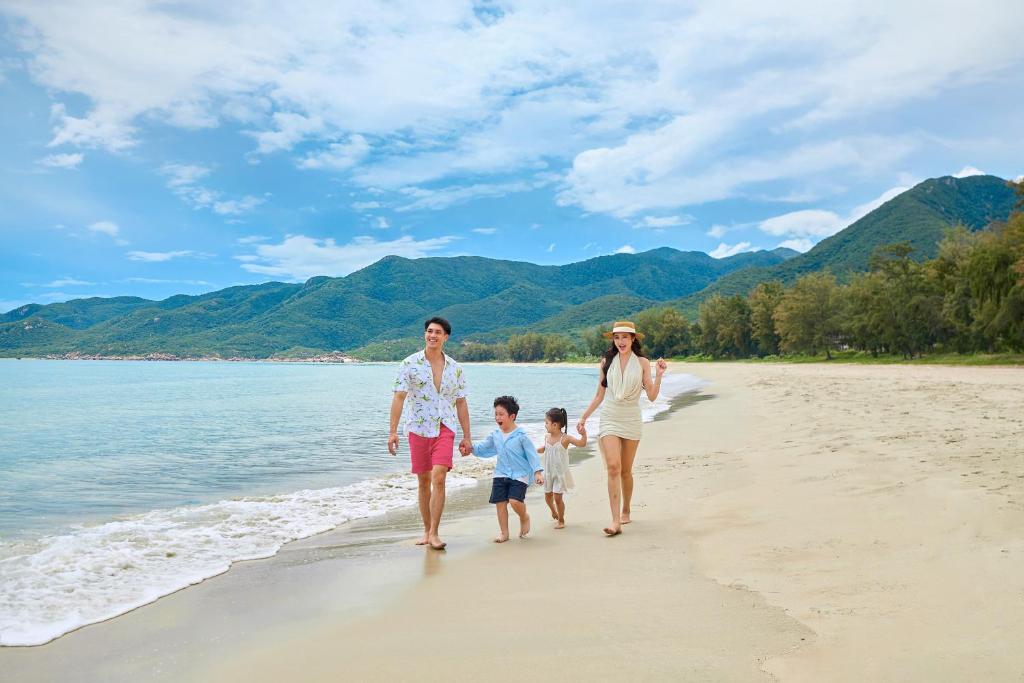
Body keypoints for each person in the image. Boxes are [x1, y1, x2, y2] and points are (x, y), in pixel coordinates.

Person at [388, 317, 472, 550]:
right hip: (418, 428)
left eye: (437, 332)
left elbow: (461, 403)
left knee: (439, 477)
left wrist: (467, 436)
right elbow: (399, 398)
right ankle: (426, 530)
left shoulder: (456, 368)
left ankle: (435, 532)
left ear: (446, 337)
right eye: (429, 331)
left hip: (445, 427)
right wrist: (392, 432)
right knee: (424, 481)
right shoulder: (409, 364)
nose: (432, 335)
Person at [577, 321, 667, 537]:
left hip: (631, 418)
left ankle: (626, 509)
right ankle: (615, 520)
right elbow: (599, 395)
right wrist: (584, 417)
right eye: (617, 338)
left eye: (625, 337)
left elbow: (652, 396)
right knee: (613, 467)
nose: (621, 341)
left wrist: (658, 375)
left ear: (633, 339)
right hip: (610, 416)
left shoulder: (643, 363)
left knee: (626, 471)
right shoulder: (606, 362)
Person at [464, 396, 543, 543]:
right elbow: (483, 448)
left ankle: (524, 516)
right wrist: (470, 448)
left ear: (512, 416)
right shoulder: (495, 435)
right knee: (500, 503)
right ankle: (504, 533)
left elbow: (532, 455)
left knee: (514, 501)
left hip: (520, 475)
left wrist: (537, 472)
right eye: (496, 414)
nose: (497, 417)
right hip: (500, 473)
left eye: (501, 414)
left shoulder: (521, 436)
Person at [537, 408, 587, 529]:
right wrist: (535, 450)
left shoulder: (565, 438)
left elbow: (582, 444)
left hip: (560, 474)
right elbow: (545, 448)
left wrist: (583, 434)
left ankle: (561, 520)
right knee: (547, 497)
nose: (545, 425)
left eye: (546, 423)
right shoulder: (547, 437)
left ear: (555, 425)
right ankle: (553, 510)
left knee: (557, 497)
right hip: (548, 472)